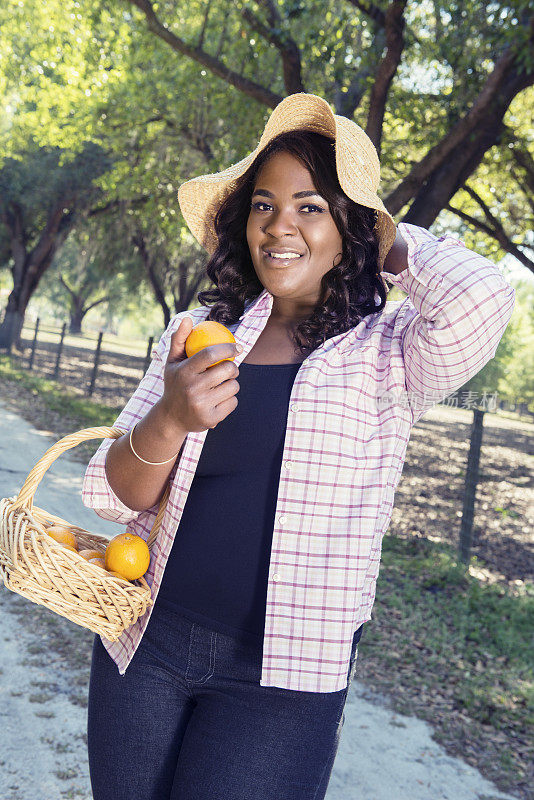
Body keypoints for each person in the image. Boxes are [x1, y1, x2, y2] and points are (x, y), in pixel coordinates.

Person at [82, 93, 515, 799]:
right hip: (144, 648)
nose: (279, 225)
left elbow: (483, 297)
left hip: (281, 685)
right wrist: (170, 415)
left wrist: (389, 237)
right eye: (263, 204)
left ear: (350, 225)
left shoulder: (391, 353)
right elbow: (112, 493)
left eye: (311, 206)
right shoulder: (198, 332)